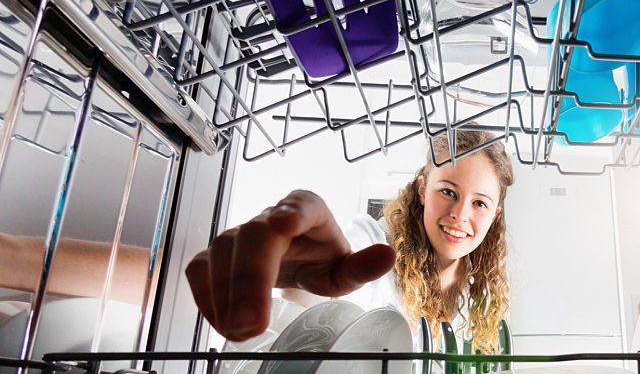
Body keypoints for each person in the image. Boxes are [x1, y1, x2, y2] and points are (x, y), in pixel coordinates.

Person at [186, 128, 514, 354]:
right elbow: (316, 307)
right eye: (448, 192)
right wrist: (300, 285)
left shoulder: (478, 291)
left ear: (494, 214)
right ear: (422, 190)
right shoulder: (374, 248)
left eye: (479, 203)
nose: (459, 214)